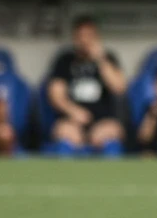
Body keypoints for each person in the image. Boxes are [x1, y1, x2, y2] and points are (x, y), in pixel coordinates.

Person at [45, 16, 127, 156]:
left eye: (89, 36)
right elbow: (55, 95)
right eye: (80, 36)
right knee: (64, 133)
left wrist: (100, 59)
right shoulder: (65, 60)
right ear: (74, 38)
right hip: (73, 121)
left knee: (112, 133)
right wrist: (73, 111)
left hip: (102, 122)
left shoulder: (108, 59)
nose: (84, 40)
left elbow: (119, 88)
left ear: (96, 37)